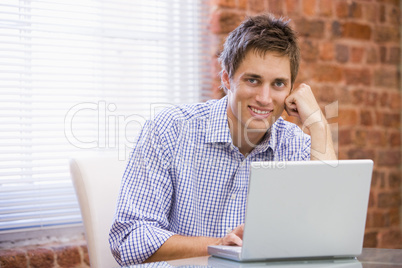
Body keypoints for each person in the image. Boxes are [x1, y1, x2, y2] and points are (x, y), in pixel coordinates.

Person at [109, 13, 336, 265]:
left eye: (278, 84)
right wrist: (219, 245)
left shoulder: (296, 145)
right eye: (253, 80)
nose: (264, 97)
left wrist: (318, 125)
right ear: (227, 78)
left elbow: (326, 236)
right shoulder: (169, 130)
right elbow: (128, 239)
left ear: (290, 90)